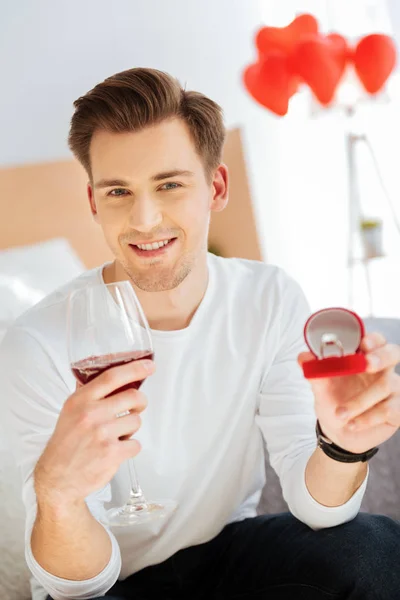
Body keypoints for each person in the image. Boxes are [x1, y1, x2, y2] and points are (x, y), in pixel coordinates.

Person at [1, 68, 400, 600]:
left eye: (169, 184)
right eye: (119, 191)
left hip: (224, 554)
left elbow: (317, 510)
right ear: (95, 202)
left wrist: (344, 446)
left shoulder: (270, 297)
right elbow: (75, 587)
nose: (144, 219)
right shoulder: (36, 344)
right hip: (109, 582)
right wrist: (59, 496)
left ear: (216, 187)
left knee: (374, 551)